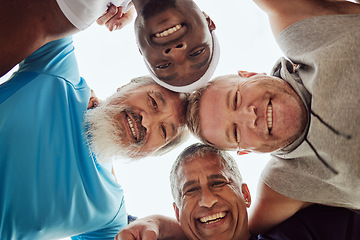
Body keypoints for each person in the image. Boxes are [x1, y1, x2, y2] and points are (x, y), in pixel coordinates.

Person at [186, 0, 360, 234]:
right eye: (236, 132)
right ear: (246, 150)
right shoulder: (285, 180)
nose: (250, 116)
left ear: (249, 74)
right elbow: (231, 232)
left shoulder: (304, 35)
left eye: (236, 99)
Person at [0, 35, 189, 239]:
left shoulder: (109, 212)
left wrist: (159, 223)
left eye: (163, 131)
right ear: (126, 87)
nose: (146, 122)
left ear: (152, 152)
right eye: (153, 102)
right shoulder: (58, 71)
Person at [115, 143, 360, 240]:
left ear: (245, 194)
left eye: (218, 183)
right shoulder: (142, 234)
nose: (208, 200)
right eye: (190, 190)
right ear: (177, 214)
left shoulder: (303, 231)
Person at [0, 0, 219, 92]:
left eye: (164, 65)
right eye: (197, 52)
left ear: (140, 47)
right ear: (208, 21)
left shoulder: (76, 9)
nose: (176, 52)